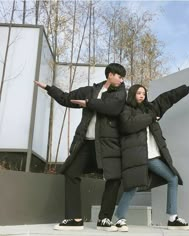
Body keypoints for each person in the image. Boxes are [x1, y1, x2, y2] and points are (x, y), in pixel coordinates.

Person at [34, 63, 126, 232]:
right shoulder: (91, 90)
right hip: (86, 142)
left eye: (122, 78)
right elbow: (66, 98)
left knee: (113, 178)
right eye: (119, 76)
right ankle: (74, 219)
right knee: (71, 173)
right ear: (110, 75)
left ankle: (104, 219)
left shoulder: (121, 92)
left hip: (108, 144)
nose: (121, 80)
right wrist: (49, 88)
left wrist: (88, 103)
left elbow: (112, 108)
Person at [114, 81, 189, 232]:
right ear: (132, 94)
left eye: (143, 93)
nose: (141, 96)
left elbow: (167, 98)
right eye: (138, 93)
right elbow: (129, 125)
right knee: (132, 187)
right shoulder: (126, 110)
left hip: (152, 156)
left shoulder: (150, 108)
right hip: (136, 156)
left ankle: (172, 218)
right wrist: (151, 117)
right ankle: (120, 219)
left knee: (173, 178)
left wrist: (186, 88)